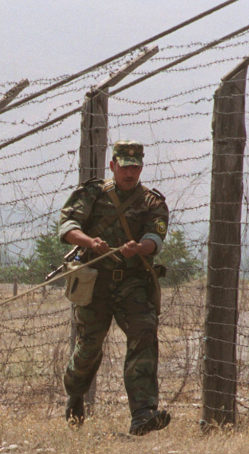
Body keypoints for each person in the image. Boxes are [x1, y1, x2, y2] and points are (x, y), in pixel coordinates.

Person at [59, 140, 171, 436]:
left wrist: (140, 247)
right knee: (89, 346)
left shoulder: (152, 202)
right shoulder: (92, 194)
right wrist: (89, 242)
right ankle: (75, 394)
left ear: (141, 168)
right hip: (94, 281)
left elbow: (156, 239)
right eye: (125, 166)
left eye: (135, 167)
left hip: (132, 282)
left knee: (144, 334)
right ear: (113, 166)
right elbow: (68, 226)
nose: (130, 172)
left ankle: (143, 413)